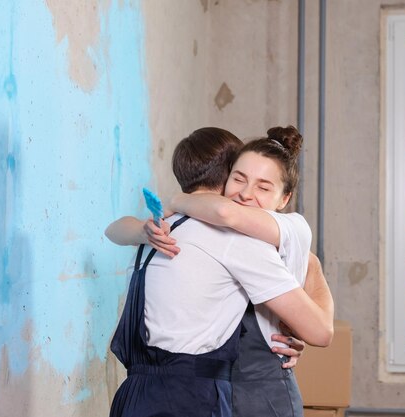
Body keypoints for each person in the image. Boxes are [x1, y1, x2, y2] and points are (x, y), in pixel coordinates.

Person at [105, 127, 333, 417]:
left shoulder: (173, 225)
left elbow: (319, 326)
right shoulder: (201, 232)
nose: (246, 194)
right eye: (239, 178)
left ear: (285, 198)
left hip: (142, 395)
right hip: (193, 396)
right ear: (226, 177)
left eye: (263, 187)